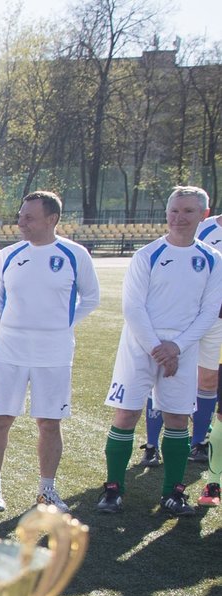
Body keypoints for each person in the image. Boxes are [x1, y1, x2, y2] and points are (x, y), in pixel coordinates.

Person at [98, 186, 222, 516]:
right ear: (166, 214)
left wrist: (177, 346)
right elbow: (133, 308)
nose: (179, 217)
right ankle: (113, 489)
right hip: (141, 345)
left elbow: (210, 311)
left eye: (188, 211)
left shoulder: (212, 259)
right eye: (174, 211)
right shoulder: (147, 255)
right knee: (126, 414)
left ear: (203, 215)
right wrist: (158, 348)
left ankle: (173, 492)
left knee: (178, 418)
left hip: (183, 347)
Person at [0, 191, 99, 512]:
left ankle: (46, 491)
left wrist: (62, 325)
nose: (21, 222)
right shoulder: (9, 255)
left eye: (28, 217)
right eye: (20, 215)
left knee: (49, 422)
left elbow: (90, 298)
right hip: (10, 350)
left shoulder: (75, 254)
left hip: (54, 353)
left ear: (52, 219)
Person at [194, 206, 221, 473]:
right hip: (191, 314)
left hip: (219, 319)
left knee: (210, 378)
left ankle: (199, 440)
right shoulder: (206, 228)